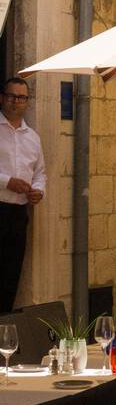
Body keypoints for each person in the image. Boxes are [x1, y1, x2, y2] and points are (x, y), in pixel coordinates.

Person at [0, 76, 46, 313]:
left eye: (22, 97)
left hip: (18, 214)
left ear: (27, 101)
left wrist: (39, 190)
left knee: (11, 276)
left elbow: (40, 173)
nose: (16, 102)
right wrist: (7, 182)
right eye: (12, 96)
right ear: (2, 98)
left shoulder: (33, 137)